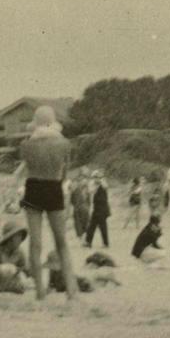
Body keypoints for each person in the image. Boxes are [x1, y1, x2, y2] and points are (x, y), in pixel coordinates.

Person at [15, 106, 83, 303]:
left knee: (35, 244)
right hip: (53, 187)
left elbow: (26, 168)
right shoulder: (64, 144)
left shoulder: (26, 145)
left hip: (34, 186)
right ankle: (71, 290)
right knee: (61, 242)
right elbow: (65, 173)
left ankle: (39, 292)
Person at [88, 175, 113, 248]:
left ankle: (105, 243)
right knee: (92, 227)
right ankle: (89, 242)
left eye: (96, 178)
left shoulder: (102, 187)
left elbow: (101, 200)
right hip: (98, 210)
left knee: (101, 227)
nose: (95, 180)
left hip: (100, 211)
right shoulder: (99, 187)